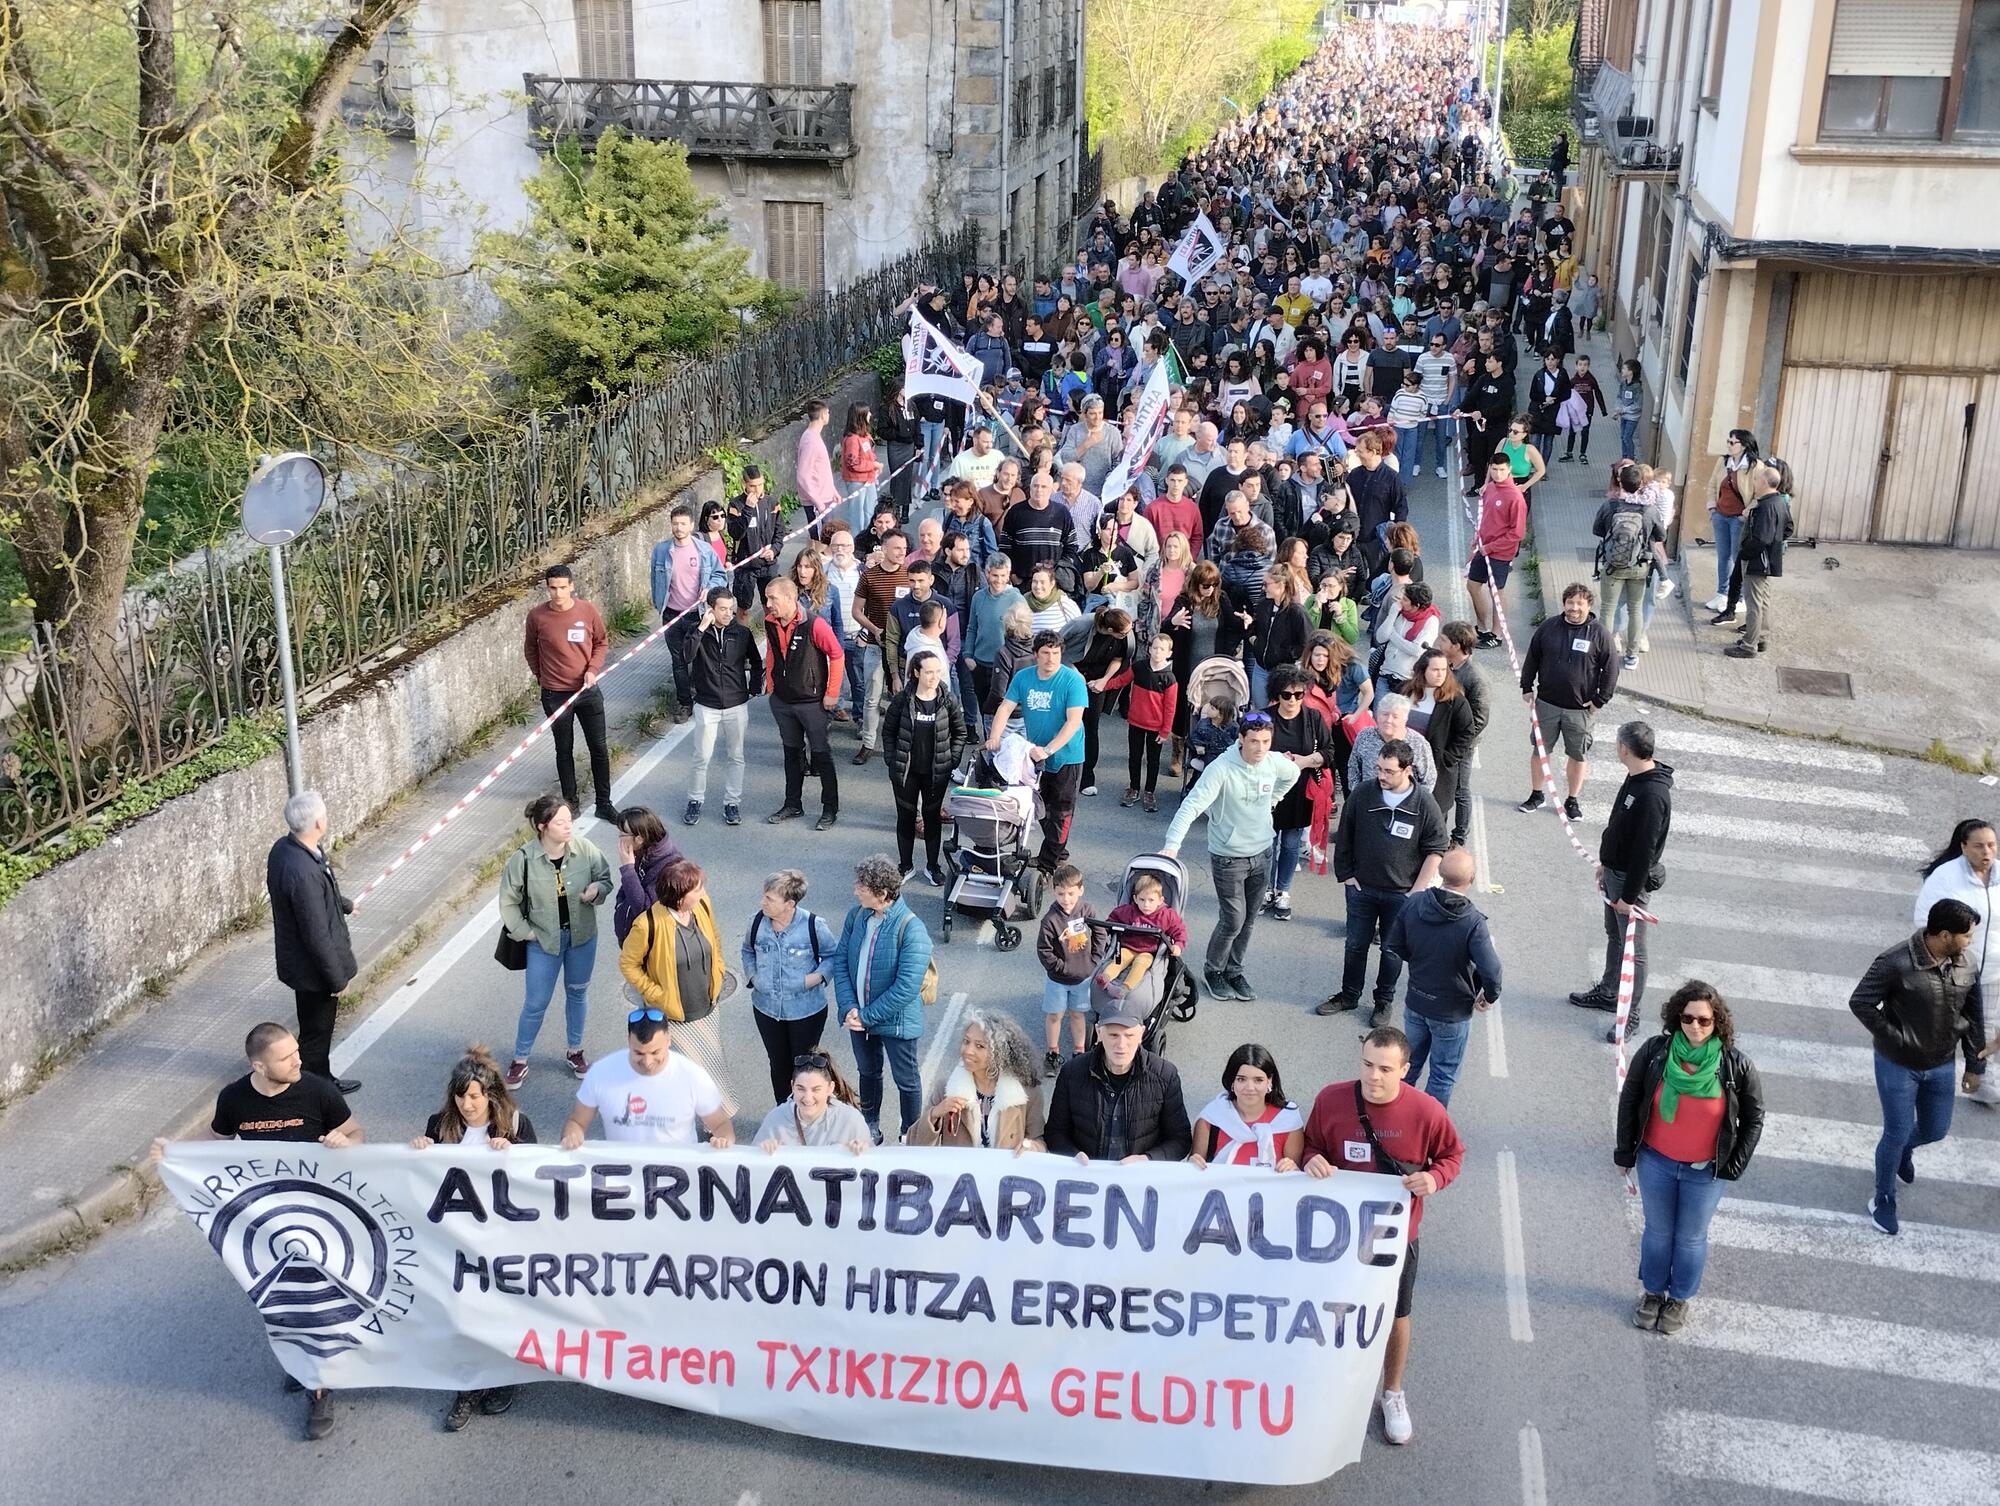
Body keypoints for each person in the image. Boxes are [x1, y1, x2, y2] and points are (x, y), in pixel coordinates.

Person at [188, 1022, 361, 1440]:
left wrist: (344, 1141)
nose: (298, 1060)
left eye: (297, 1051)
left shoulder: (318, 1090)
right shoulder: (234, 1098)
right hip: (266, 1222)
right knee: (280, 1301)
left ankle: (319, 1388)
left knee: (313, 1298)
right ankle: (304, 1363)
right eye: (287, 1057)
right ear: (259, 1066)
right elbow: (216, 1139)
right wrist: (174, 1155)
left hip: (319, 1217)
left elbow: (356, 1132)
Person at [1302, 1027, 1464, 1447]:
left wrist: (1434, 1177)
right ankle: (1331, 1387)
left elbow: (1452, 1155)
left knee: (1395, 1316)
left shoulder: (1426, 1111)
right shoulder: (1331, 1099)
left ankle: (1391, 1393)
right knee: (1331, 1310)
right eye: (1367, 1065)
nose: (1373, 1077)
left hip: (1396, 1239)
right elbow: (1309, 1145)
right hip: (1336, 1239)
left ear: (1405, 1070)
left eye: (1385, 1069)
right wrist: (1312, 1159)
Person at [1615, 981, 1764, 1335]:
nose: (1695, 1027)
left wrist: (1734, 1164)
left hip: (1705, 1172)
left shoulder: (1734, 1065)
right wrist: (1624, 1152)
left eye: (1704, 1021)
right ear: (1676, 1018)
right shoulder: (1655, 1053)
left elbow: (1754, 1117)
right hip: (1657, 1163)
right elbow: (1630, 1099)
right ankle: (1652, 1295)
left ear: (1718, 1023)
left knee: (1690, 1238)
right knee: (1657, 1231)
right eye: (1687, 1018)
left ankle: (1678, 1299)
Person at [409, 1044, 535, 1430]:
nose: (467, 1104)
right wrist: (420, 1149)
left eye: (475, 1096)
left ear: (490, 1094)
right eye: (461, 1096)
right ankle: (469, 1386)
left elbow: (538, 1178)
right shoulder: (440, 1125)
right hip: (458, 1240)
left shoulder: (513, 1123)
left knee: (501, 1311)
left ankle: (505, 1376)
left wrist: (512, 1152)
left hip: (503, 1239)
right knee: (463, 1314)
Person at [1851, 899, 1988, 1235]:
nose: (1971, 941)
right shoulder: (1894, 962)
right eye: (1966, 935)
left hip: (1941, 1064)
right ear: (1944, 935)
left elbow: (1974, 1017)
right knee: (1895, 1132)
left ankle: (1904, 1151)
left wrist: (1974, 1065)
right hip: (1897, 1064)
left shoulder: (1966, 965)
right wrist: (1896, 1037)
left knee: (1935, 1129)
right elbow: (1861, 1002)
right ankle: (1883, 1197)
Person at [1161, 712, 1300, 1002]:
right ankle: (1214, 970)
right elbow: (1191, 806)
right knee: (1233, 919)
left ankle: (1234, 971)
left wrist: (1273, 800)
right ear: (1241, 740)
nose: (1260, 748)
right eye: (1254, 741)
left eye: (1265, 741)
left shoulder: (1273, 762)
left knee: (1249, 919)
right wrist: (1172, 845)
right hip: (1229, 857)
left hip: (1263, 853)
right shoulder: (1221, 769)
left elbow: (1293, 774)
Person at [1323, 737, 1449, 1024]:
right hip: (1361, 889)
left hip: (1401, 895)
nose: (1380, 775)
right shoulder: (1363, 793)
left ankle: (1383, 1002)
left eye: (1388, 771)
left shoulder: (1424, 804)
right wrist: (1346, 876)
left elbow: (1436, 850)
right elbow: (1345, 835)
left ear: (1407, 769)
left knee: (1391, 951)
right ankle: (1349, 995)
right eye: (1379, 768)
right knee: (1355, 945)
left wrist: (1415, 892)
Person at [500, 794, 613, 1089]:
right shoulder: (522, 859)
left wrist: (596, 890)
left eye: (569, 820)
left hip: (582, 937)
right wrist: (526, 932)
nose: (568, 827)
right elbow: (508, 903)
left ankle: (575, 1051)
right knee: (536, 1002)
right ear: (542, 826)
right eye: (560, 822)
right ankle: (520, 1058)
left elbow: (605, 878)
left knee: (577, 993)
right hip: (543, 942)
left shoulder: (585, 849)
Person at [1570, 722, 1674, 1028]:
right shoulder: (1636, 777)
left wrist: (1629, 898)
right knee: (1615, 937)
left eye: (1617, 744)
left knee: (1634, 952)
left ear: (1624, 748)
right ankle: (1609, 992)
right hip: (1614, 873)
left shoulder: (1652, 794)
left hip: (1629, 883)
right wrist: (1605, 861)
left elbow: (1645, 850)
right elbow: (1620, 826)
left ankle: (1631, 1015)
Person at [1384, 848, 1500, 1108]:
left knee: (1407, 1068)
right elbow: (1491, 970)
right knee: (1442, 1076)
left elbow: (1395, 944)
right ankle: (1428, 1129)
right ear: (1471, 879)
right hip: (1452, 1011)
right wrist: (1488, 996)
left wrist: (1418, 961)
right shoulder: (1472, 922)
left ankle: (1395, 1118)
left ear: (1439, 873)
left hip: (1416, 1001)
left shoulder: (1414, 903)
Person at [619, 858, 736, 1114]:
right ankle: (681, 1121)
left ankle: (713, 1120)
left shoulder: (702, 905)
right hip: (673, 1015)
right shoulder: (647, 924)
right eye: (697, 888)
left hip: (706, 1006)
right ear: (681, 897)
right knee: (690, 1072)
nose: (703, 892)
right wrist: (655, 994)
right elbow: (628, 964)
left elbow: (714, 937)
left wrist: (718, 970)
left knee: (713, 1066)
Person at [832, 855, 934, 1145]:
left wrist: (864, 1017)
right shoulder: (856, 916)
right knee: (868, 1073)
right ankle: (870, 1128)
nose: (855, 890)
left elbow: (905, 989)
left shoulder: (913, 930)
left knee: (906, 1081)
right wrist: (849, 1007)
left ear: (882, 893)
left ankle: (910, 1135)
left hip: (895, 1022)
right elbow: (841, 961)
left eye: (861, 886)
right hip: (860, 1017)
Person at [266, 790, 361, 1094]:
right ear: (319, 822)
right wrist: (337, 979)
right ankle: (316, 1087)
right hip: (312, 970)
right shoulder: (302, 870)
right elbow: (316, 933)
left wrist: (344, 904)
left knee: (313, 1029)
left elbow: (321, 888)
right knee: (317, 1032)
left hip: (300, 963)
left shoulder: (287, 849)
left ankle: (317, 1078)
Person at [986, 629, 1089, 871]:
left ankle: (1047, 864)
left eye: (1056, 653)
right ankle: (1057, 848)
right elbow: (1005, 708)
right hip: (1034, 757)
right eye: (1045, 653)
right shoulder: (1024, 677)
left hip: (1067, 756)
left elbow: (1073, 722)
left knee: (1062, 812)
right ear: (1036, 655)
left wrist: (1049, 749)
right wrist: (994, 737)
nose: (1051, 658)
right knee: (1042, 808)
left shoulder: (1072, 680)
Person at [1517, 582, 1619, 822]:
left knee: (1578, 755)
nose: (1574, 608)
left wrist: (1600, 700)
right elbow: (1532, 657)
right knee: (1541, 751)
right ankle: (1536, 795)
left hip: (1580, 710)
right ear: (1564, 604)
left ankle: (1572, 800)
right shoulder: (1548, 627)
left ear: (1588, 605)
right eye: (1570, 603)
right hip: (1547, 704)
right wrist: (1526, 686)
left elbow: (1611, 670)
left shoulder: (1599, 634)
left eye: (1579, 603)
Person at [1044, 1002, 1194, 1163]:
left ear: (1141, 1034)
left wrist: (1148, 1159)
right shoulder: (1072, 1073)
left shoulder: (1164, 1075)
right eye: (1113, 1035)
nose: (1121, 1045)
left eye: (1129, 1035)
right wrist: (1073, 1155)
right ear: (1098, 1033)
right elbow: (1055, 1133)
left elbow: (1180, 1140)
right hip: (1087, 1176)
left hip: (1138, 1180)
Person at [1914, 819, 2000, 1101]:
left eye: (1991, 845)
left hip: (1996, 968)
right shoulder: (1946, 878)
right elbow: (1924, 922)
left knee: (1991, 1025)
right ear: (1963, 847)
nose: (1986, 852)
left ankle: (1984, 1076)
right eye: (1978, 846)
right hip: (1961, 970)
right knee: (1967, 1025)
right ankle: (1973, 1080)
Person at [562, 1009, 735, 1148]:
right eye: (638, 1053)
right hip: (623, 1178)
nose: (647, 1062)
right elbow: (577, 1121)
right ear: (629, 1041)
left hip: (677, 1177)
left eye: (655, 1052)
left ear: (668, 1040)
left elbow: (720, 1124)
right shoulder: (601, 1073)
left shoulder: (693, 1076)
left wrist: (723, 1141)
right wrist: (572, 1136)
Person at [523, 564, 614, 821]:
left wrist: (592, 669)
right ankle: (570, 803)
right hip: (555, 694)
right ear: (547, 588)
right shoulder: (537, 617)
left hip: (587, 690)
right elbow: (530, 649)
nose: (558, 594)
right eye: (553, 588)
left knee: (599, 746)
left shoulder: (587, 610)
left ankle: (604, 802)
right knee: (564, 749)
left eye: (563, 588)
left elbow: (601, 641)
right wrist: (542, 677)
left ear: (572, 586)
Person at [761, 577, 846, 830]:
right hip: (783, 701)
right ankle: (793, 803)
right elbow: (771, 651)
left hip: (812, 703)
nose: (767, 604)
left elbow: (837, 654)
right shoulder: (770, 622)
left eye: (772, 598)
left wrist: (832, 693)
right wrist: (770, 682)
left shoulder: (814, 624)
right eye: (767, 598)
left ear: (790, 598)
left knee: (821, 755)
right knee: (791, 753)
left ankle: (830, 809)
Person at [882, 650, 969, 884]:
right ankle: (906, 866)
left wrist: (953, 760)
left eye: (937, 671)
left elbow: (960, 732)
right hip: (906, 772)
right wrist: (891, 759)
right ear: (916, 672)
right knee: (906, 816)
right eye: (928, 672)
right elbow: (888, 731)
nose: (934, 677)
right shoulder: (902, 700)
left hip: (935, 773)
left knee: (932, 818)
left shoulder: (948, 700)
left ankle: (933, 866)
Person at [908, 1009, 1049, 1151]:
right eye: (966, 1041)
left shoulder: (1028, 1092)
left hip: (1003, 1172)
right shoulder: (946, 1088)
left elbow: (1039, 1141)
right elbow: (913, 1144)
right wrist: (935, 1113)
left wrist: (1032, 1147)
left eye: (979, 1046)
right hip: (961, 1172)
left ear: (999, 1054)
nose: (968, 1050)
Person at [681, 586, 760, 827]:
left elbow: (756, 661)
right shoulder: (696, 632)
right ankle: (695, 800)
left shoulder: (742, 633)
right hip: (707, 704)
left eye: (731, 609)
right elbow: (686, 656)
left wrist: (754, 687)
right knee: (701, 756)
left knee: (736, 756)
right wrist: (701, 627)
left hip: (736, 703)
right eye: (723, 609)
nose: (728, 613)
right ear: (710, 610)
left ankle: (732, 803)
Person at [1263, 664, 1335, 922]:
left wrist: (1303, 761)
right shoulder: (1263, 718)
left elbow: (1329, 752)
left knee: (1291, 843)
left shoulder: (1313, 719)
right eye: (1286, 695)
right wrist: (1275, 760)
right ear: (1276, 694)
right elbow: (1245, 749)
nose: (1293, 700)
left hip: (1298, 792)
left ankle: (1283, 890)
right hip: (1267, 791)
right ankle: (1265, 890)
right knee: (1267, 843)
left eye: (1298, 694)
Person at [650, 503, 728, 718]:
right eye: (675, 523)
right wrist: (659, 604)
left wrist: (709, 589)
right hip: (672, 614)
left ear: (692, 525)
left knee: (701, 658)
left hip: (697, 614)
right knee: (679, 661)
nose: (678, 527)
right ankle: (684, 703)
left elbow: (720, 576)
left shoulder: (703, 550)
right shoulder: (661, 550)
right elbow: (654, 578)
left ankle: (704, 694)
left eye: (683, 523)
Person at [1592, 470, 1669, 671]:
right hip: (1640, 565)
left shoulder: (1611, 505)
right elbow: (1660, 535)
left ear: (1620, 482)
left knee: (1607, 608)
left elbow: (1597, 529)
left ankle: (1603, 655)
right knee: (1635, 609)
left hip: (1612, 565)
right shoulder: (1649, 509)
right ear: (1641, 483)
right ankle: (1631, 656)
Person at [849, 528, 913, 764]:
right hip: (877, 644)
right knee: (872, 696)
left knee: (903, 696)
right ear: (883, 549)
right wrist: (874, 629)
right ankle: (867, 743)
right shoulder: (869, 576)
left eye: (904, 549)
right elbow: (856, 611)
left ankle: (901, 744)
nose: (901, 553)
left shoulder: (909, 575)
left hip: (903, 648)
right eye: (897, 548)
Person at [1037, 863, 1106, 1076]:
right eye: (1060, 894)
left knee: (1078, 1015)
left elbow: (1100, 933)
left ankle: (1079, 1052)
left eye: (1071, 893)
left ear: (1080, 890)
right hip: (1058, 980)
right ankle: (1053, 1053)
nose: (1066, 899)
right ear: (1054, 891)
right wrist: (1061, 967)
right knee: (1054, 1015)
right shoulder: (1050, 920)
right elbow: (1044, 950)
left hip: (1083, 978)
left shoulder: (1087, 910)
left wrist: (1094, 960)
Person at [1190, 1044, 1305, 1169]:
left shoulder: (1288, 1120)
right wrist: (1191, 1166)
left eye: (1258, 1080)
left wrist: (1294, 1168)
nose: (1250, 1088)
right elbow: (1194, 1174)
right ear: (1232, 1082)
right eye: (1241, 1079)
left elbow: (1296, 1176)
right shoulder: (1211, 1118)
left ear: (1270, 1081)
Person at [1402, 649, 1475, 839]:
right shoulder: (1405, 691)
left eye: (1444, 669)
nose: (1441, 674)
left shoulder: (1455, 700)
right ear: (1422, 670)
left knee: (1433, 823)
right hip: (1404, 767)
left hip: (1437, 771)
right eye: (1435, 670)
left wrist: (1447, 758)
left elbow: (1467, 732)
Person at [1725, 460, 1794, 659]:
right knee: (1763, 601)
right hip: (1769, 560)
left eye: (1756, 480)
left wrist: (1745, 551)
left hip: (1757, 561)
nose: (1754, 483)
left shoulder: (1765, 506)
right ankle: (1760, 638)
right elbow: (1788, 527)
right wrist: (1775, 543)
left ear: (1764, 483)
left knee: (1753, 604)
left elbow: (1761, 538)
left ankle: (1749, 645)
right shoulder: (1780, 501)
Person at [1437, 624, 1492, 849]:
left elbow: (1480, 717)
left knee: (1459, 790)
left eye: (1443, 640)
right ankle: (1439, 832)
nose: (1439, 643)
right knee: (1442, 786)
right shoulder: (1448, 666)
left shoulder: (1474, 676)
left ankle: (1459, 837)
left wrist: (1459, 744)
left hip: (1461, 745)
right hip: (1443, 738)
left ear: (1456, 646)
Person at [754, 1049, 873, 1151]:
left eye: (816, 1090)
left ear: (830, 1088)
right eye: (801, 1089)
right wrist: (763, 1151)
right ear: (792, 1087)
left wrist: (861, 1151)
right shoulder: (775, 1120)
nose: (807, 1097)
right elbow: (752, 1164)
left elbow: (873, 1164)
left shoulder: (850, 1121)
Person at [1466, 452, 1526, 649]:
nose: (1498, 474)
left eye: (1502, 470)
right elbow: (1487, 517)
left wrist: (1490, 547)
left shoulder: (1515, 497)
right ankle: (1482, 628)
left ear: (1509, 469)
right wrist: (1477, 539)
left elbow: (1516, 533)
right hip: (1484, 547)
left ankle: (1497, 634)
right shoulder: (1490, 488)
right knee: (1473, 585)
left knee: (1496, 592)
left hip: (1500, 552)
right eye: (1494, 469)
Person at [1098, 872, 1187, 994]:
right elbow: (1112, 920)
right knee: (1119, 960)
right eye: (1142, 899)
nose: (1146, 905)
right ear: (1135, 899)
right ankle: (1105, 977)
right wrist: (1104, 930)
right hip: (1127, 946)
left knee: (1141, 964)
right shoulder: (1128, 911)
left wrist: (1178, 945)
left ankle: (1125, 988)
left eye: (1151, 900)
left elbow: (1179, 931)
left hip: (1149, 951)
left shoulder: (1167, 915)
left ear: (1160, 900)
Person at [1705, 429, 1759, 615]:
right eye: (1728, 441)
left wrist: (1745, 512)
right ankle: (1722, 592)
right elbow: (1712, 484)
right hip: (1720, 515)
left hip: (1738, 519)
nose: (1728, 445)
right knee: (1723, 556)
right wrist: (1712, 508)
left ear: (1743, 445)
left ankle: (1739, 597)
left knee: (1738, 558)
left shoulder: (1754, 466)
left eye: (1732, 442)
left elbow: (1760, 494)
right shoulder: (1723, 461)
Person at [1124, 630, 1179, 812]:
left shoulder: (1169, 679)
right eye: (1155, 648)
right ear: (1149, 649)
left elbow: (1170, 708)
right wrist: (1102, 684)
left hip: (1156, 727)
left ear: (1169, 653)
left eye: (1162, 649)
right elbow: (1121, 680)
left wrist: (1165, 731)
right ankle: (1133, 788)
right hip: (1136, 722)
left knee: (1153, 760)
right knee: (1134, 757)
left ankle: (1149, 791)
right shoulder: (1139, 667)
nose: (1157, 652)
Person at [612, 805, 683, 944]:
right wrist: (620, 905)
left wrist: (627, 868)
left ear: (639, 838)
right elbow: (627, 888)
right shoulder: (642, 852)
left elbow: (642, 907)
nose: (619, 839)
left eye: (622, 834)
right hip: (635, 935)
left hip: (651, 943)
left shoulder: (669, 869)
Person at [725, 463, 782, 611]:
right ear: (744, 484)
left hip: (768, 565)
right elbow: (735, 533)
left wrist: (774, 550)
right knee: (743, 610)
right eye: (753, 486)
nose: (758, 490)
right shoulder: (736, 505)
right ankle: (743, 634)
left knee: (771, 608)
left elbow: (779, 532)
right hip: (746, 567)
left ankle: (770, 634)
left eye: (760, 485)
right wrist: (748, 509)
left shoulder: (772, 503)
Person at [835, 402, 881, 525]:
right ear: (861, 416)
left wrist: (875, 462)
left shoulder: (865, 435)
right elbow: (853, 463)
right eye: (868, 412)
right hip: (856, 481)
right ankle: (857, 540)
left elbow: (869, 453)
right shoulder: (852, 439)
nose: (870, 414)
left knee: (870, 511)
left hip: (868, 479)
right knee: (857, 514)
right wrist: (873, 465)